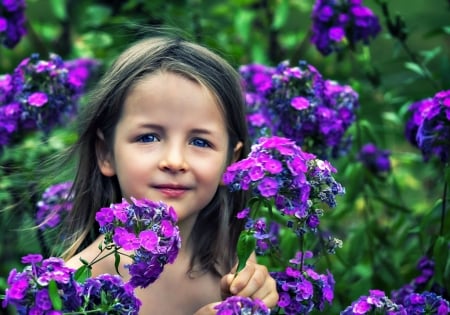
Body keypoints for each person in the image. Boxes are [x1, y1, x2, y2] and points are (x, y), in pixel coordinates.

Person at [60, 36, 279, 314]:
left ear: (231, 162)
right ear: (106, 153)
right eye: (149, 137)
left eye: (200, 142)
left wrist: (260, 291)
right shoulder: (80, 282)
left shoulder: (232, 257)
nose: (174, 161)